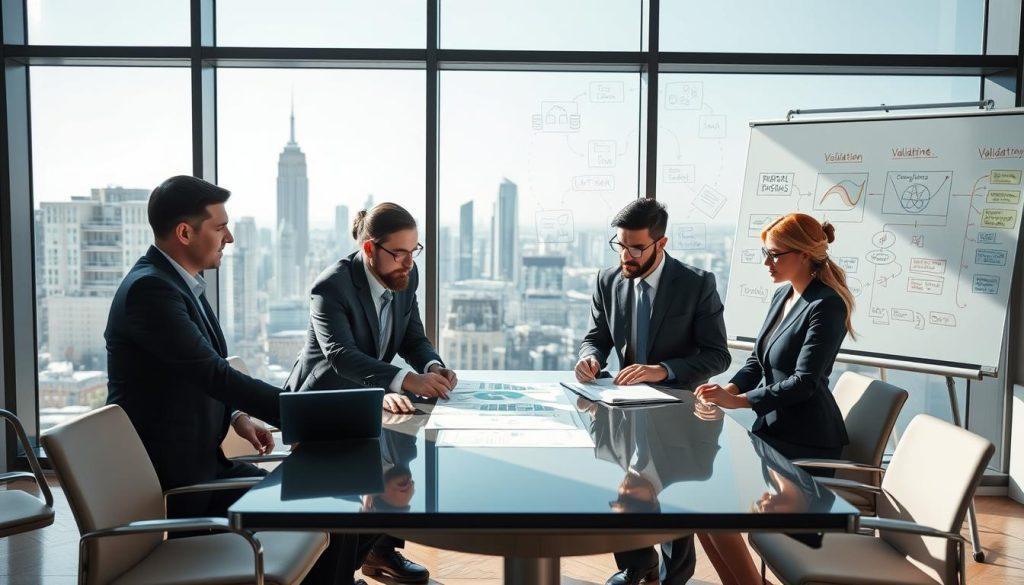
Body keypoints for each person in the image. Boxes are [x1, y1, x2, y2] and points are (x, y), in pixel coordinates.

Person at [285, 202, 456, 584]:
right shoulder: (332, 286)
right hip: (322, 405)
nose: (409, 263)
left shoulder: (403, 278)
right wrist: (402, 380)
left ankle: (380, 552)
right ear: (369, 250)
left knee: (401, 458)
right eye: (399, 253)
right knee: (358, 484)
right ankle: (339, 574)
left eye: (414, 252)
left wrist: (430, 366)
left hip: (365, 400)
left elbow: (413, 337)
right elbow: (341, 356)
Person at [105, 175, 280, 521]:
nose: (229, 238)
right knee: (322, 510)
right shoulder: (150, 292)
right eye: (220, 228)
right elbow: (213, 373)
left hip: (206, 468)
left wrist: (235, 415)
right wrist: (303, 415)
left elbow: (199, 368)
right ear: (185, 233)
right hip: (180, 484)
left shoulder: (176, 283)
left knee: (322, 507)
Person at [575, 198, 731, 585]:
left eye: (636, 247)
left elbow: (717, 355)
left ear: (661, 243)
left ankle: (670, 576)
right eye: (620, 245)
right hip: (624, 410)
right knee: (627, 491)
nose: (626, 255)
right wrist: (590, 357)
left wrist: (663, 370)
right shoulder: (608, 280)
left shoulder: (696, 284)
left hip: (679, 416)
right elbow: (597, 336)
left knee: (668, 498)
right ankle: (635, 567)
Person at [695, 212, 854, 585]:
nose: (767, 263)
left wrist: (741, 402)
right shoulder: (783, 294)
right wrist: (729, 390)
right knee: (703, 510)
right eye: (765, 254)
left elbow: (804, 383)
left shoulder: (826, 305)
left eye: (775, 255)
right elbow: (757, 360)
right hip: (772, 433)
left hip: (806, 442)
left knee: (717, 514)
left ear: (802, 255)